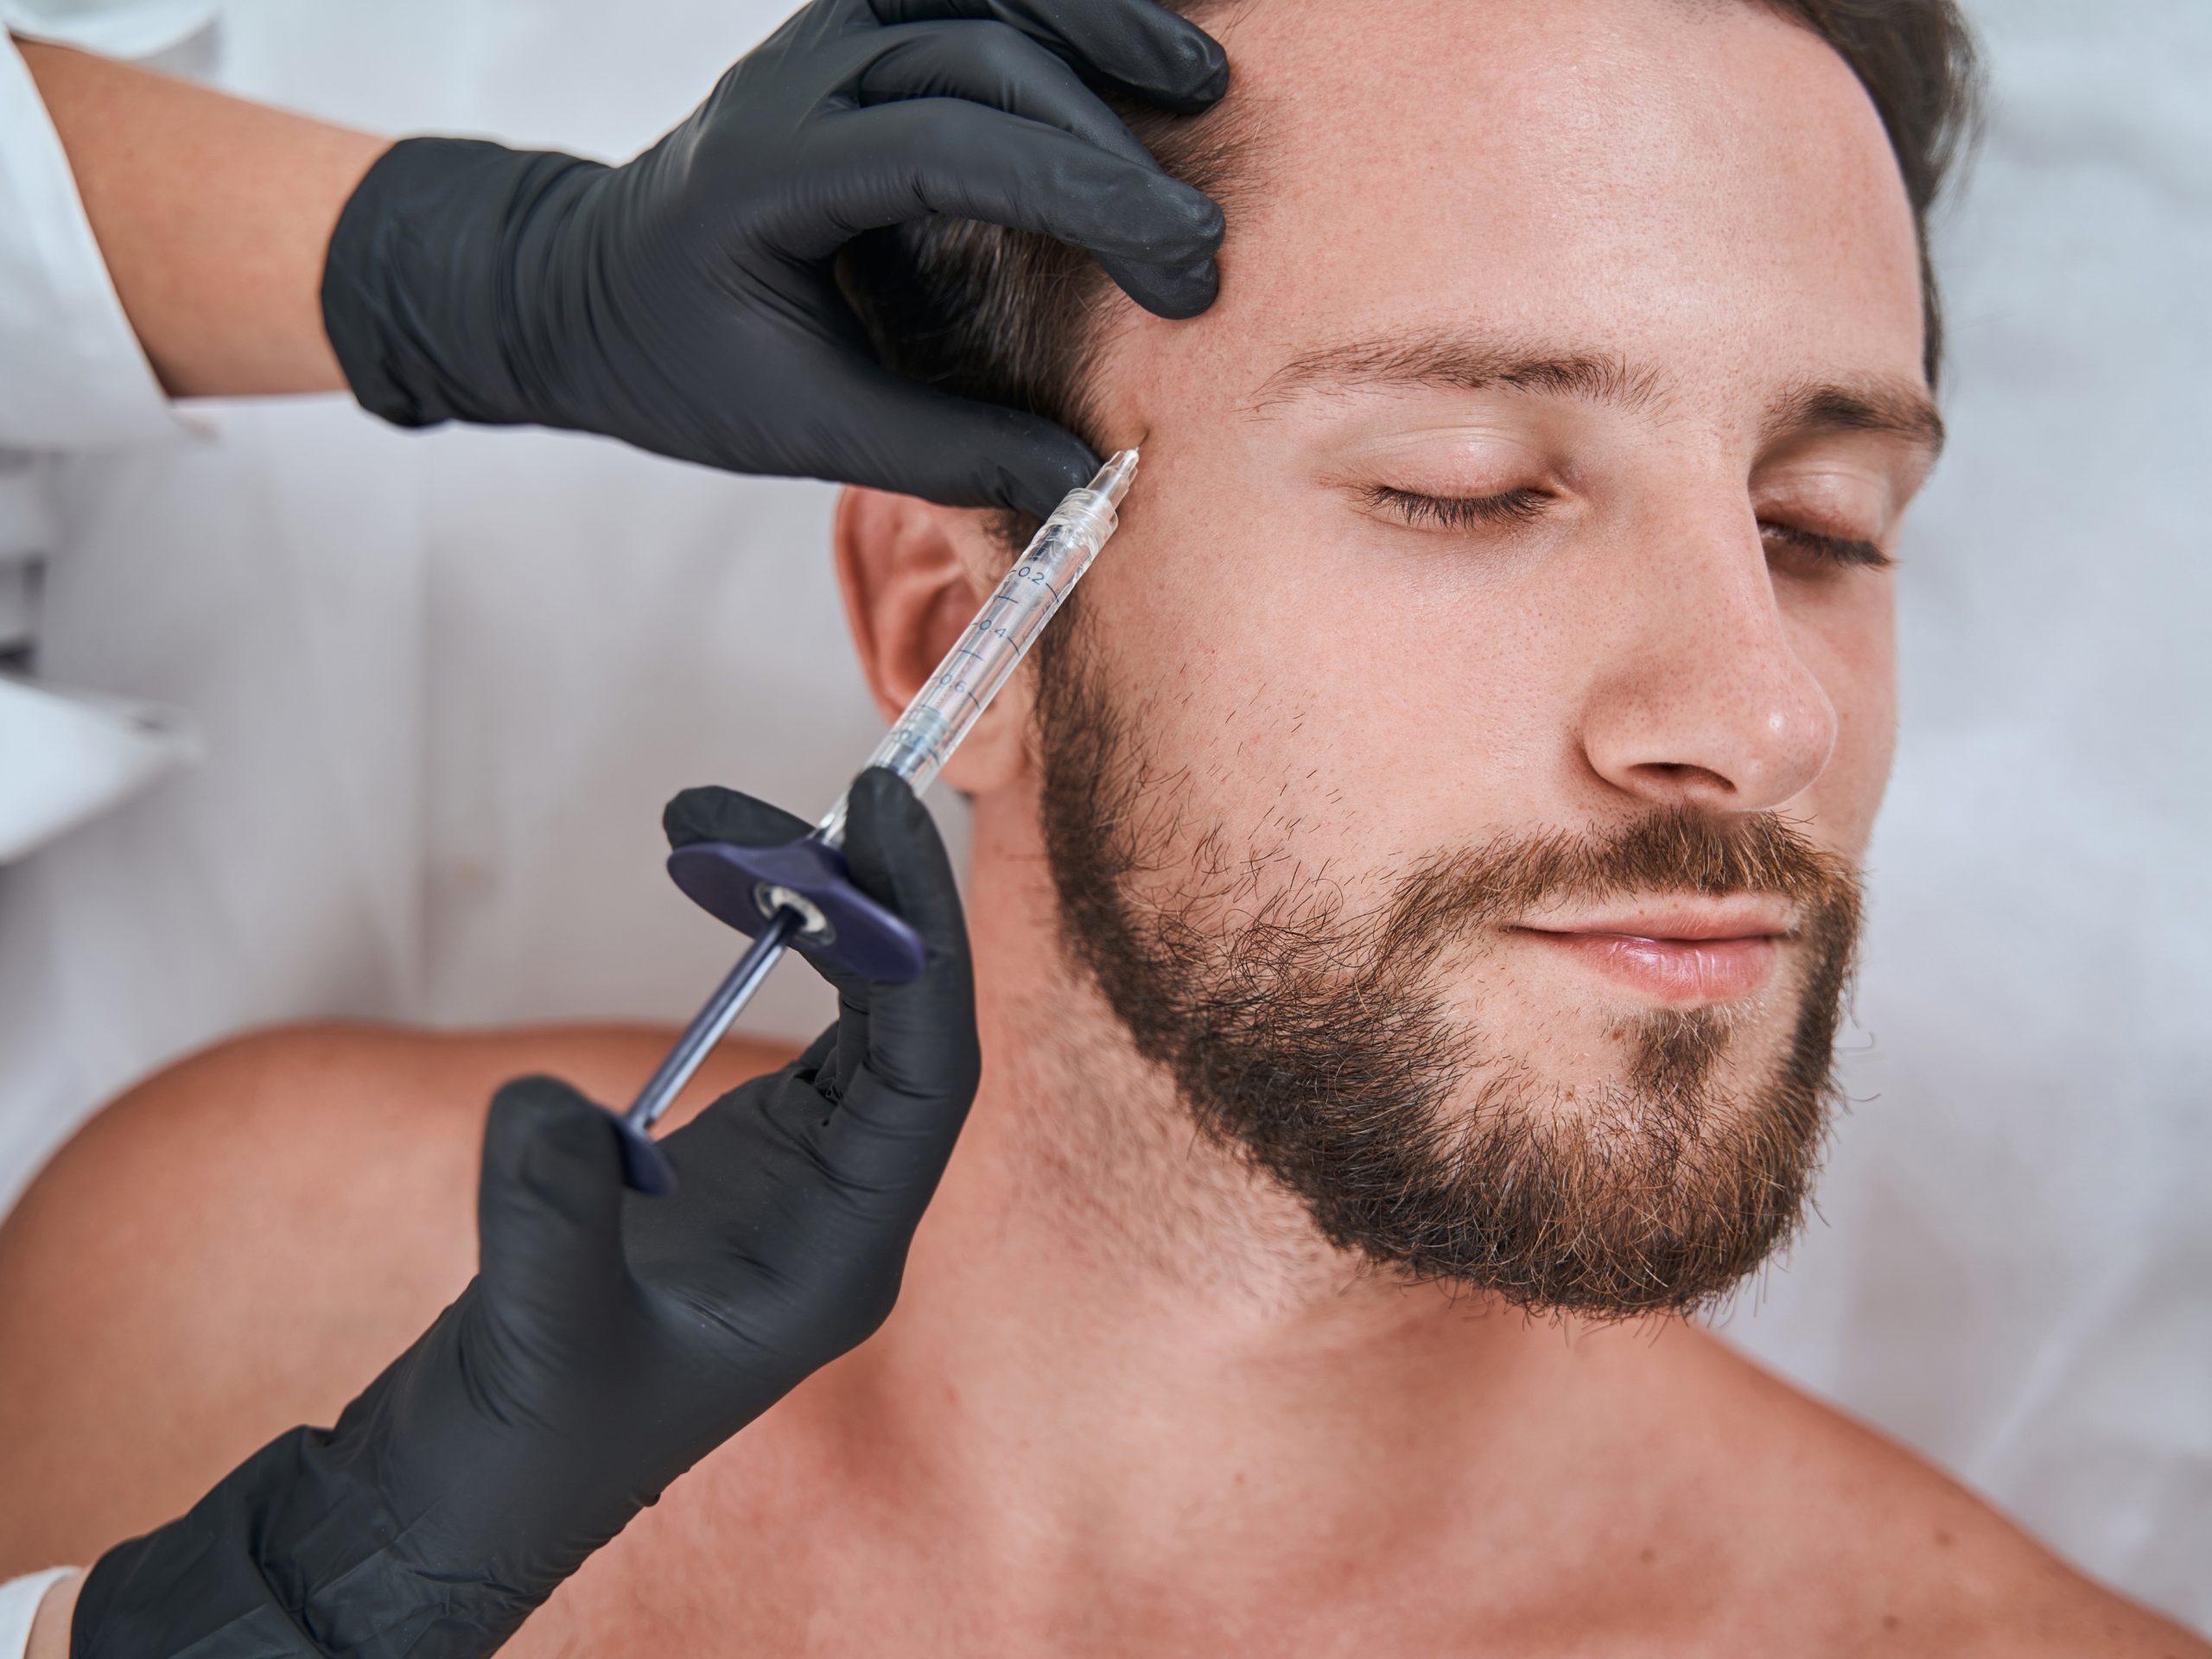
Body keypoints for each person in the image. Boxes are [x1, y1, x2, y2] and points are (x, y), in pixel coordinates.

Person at [1, 0, 2204, 1655]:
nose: (1759, 714)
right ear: (950, 620)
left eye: (1821, 523)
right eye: (1463, 486)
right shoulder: (247, 1297)